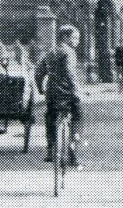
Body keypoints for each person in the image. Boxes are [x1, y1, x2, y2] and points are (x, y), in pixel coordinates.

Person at [35, 25, 83, 168]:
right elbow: (70, 73)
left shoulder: (50, 52)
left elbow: (39, 72)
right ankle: (73, 153)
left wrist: (40, 89)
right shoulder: (69, 52)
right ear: (65, 37)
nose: (77, 41)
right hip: (67, 92)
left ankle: (50, 149)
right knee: (78, 117)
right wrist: (77, 91)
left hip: (52, 92)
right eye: (75, 38)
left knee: (50, 116)